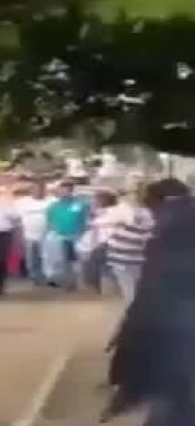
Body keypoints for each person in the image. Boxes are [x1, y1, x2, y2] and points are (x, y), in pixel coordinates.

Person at [105, 179, 195, 426]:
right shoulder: (174, 224)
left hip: (170, 330)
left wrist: (127, 329)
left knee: (172, 395)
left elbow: (151, 292)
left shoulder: (168, 234)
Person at [105, 186, 154, 306]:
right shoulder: (150, 214)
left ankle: (135, 313)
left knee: (128, 288)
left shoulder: (120, 211)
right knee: (136, 287)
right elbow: (149, 235)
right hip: (137, 256)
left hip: (120, 255)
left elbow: (108, 228)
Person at [45, 180, 91, 289]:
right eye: (61, 190)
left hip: (77, 236)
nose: (63, 192)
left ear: (71, 190)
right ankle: (68, 283)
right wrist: (54, 230)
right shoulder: (53, 206)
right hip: (60, 237)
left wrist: (84, 231)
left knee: (78, 261)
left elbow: (87, 218)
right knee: (63, 260)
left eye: (66, 190)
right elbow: (50, 221)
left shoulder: (81, 204)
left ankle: (79, 282)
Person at [13, 181, 54, 285]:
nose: (39, 191)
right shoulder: (21, 202)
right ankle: (34, 277)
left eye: (42, 189)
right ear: (31, 190)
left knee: (46, 257)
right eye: (36, 189)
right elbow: (15, 218)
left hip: (47, 234)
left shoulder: (52, 201)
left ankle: (48, 277)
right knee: (31, 258)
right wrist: (18, 233)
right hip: (28, 235)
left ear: (45, 190)